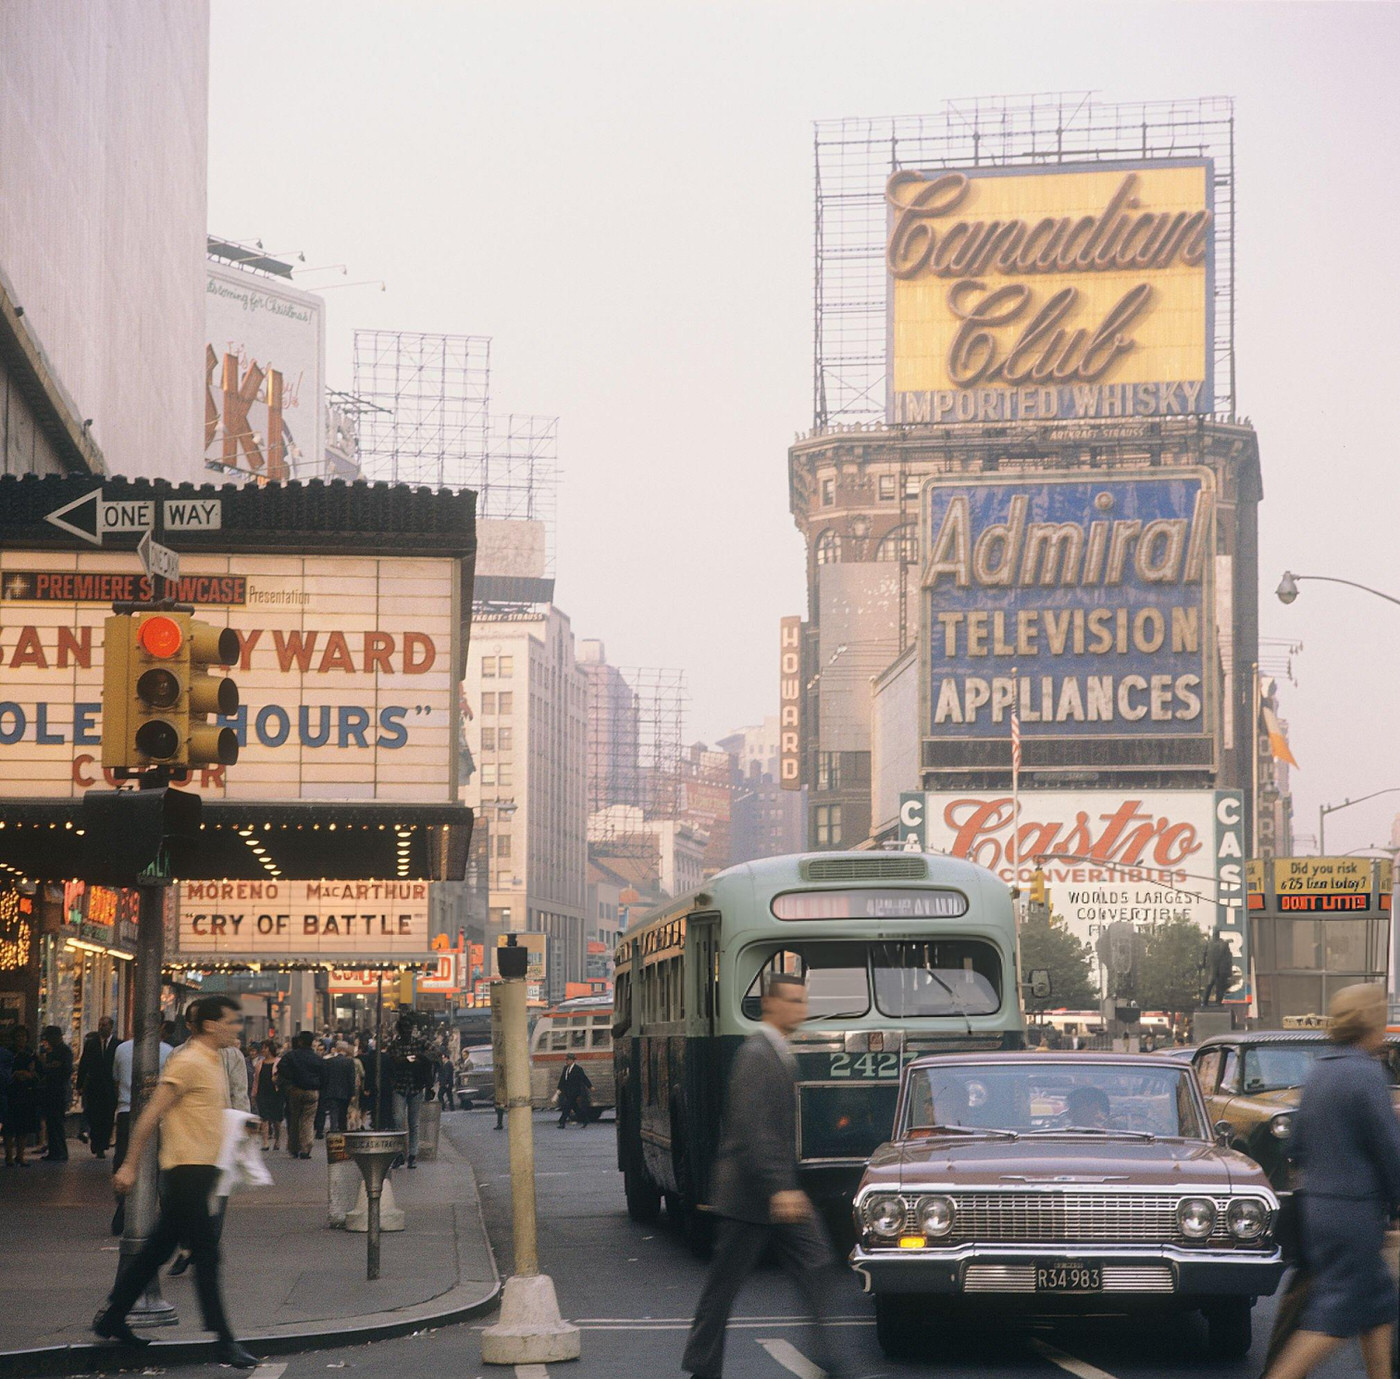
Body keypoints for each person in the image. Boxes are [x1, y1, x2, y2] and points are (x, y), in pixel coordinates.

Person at [683, 973, 848, 1379]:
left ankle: (828, 1360)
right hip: (750, 1195)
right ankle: (702, 1367)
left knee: (818, 1262)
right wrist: (780, 1188)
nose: (800, 1009)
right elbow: (753, 1129)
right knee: (723, 1287)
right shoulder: (757, 1054)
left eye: (803, 1000)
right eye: (792, 1000)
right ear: (771, 1004)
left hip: (776, 1191)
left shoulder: (777, 1051)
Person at [96, 995, 257, 1369]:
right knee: (207, 1256)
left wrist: (243, 1126)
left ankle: (113, 1318)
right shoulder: (187, 1062)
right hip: (185, 1171)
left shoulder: (215, 1061)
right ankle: (224, 1342)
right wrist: (130, 1165)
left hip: (203, 1170)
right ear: (212, 1025)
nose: (236, 1028)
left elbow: (209, 1113)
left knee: (159, 1250)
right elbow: (150, 1115)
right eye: (232, 1022)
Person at [1263, 984, 1400, 1379]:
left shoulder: (1320, 1071)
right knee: (1332, 1318)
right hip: (1354, 1214)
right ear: (1369, 1023)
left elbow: (1297, 1146)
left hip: (1320, 1210)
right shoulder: (1366, 1073)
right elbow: (1388, 1150)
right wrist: (1395, 1201)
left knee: (1378, 1304)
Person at [111, 1022, 175, 1235]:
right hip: (158, 1114)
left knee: (123, 1157)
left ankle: (124, 1205)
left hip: (125, 1110)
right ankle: (158, 1211)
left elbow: (116, 1079)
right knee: (157, 1161)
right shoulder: (168, 1052)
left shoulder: (121, 1049)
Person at [76, 1017, 121, 1158]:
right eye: (100, 1025)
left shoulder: (117, 1045)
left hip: (110, 1087)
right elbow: (84, 1064)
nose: (102, 1027)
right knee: (94, 1115)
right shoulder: (91, 1043)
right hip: (94, 1086)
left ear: (111, 1027)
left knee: (107, 1117)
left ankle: (103, 1144)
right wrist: (80, 1084)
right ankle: (96, 1141)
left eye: (105, 1025)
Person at [277, 1031, 323, 1159]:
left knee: (294, 1119)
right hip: (312, 1091)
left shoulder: (291, 1056)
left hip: (295, 1090)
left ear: (300, 1041)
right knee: (308, 1119)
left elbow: (281, 1067)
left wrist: (292, 1080)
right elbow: (324, 1074)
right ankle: (306, 1147)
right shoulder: (317, 1058)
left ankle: (294, 1147)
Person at [4, 1025, 39, 1168]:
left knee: (23, 1127)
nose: (21, 1039)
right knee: (10, 1126)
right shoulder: (8, 1053)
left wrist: (30, 1075)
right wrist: (15, 1075)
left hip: (26, 1093)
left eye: (23, 1036)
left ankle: (20, 1155)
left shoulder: (30, 1053)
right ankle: (8, 1156)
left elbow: (38, 1073)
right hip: (11, 1093)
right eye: (18, 1036)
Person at [38, 1025, 74, 1161]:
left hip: (58, 1091)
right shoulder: (52, 1051)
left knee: (57, 1122)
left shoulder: (64, 1051)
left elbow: (65, 1070)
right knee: (52, 1123)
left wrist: (50, 1067)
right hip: (51, 1091)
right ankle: (54, 1151)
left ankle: (60, 1151)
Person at [252, 1039, 284, 1151]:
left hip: (276, 1093)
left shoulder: (279, 1062)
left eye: (264, 1048)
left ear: (270, 1049)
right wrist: (254, 1093)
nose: (262, 1050)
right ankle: (265, 1142)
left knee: (277, 1119)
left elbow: (283, 1077)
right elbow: (256, 1080)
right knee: (264, 1118)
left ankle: (277, 1140)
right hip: (263, 1093)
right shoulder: (260, 1063)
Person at [321, 1041, 360, 1133]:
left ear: (337, 1049)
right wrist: (352, 1093)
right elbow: (351, 1078)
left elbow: (325, 1077)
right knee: (343, 1113)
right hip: (345, 1092)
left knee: (333, 1113)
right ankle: (343, 1131)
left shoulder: (329, 1061)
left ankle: (333, 1131)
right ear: (345, 1049)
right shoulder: (349, 1062)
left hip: (331, 1091)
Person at [556, 1052, 593, 1128]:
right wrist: (559, 1088)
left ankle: (562, 1122)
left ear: (573, 1060)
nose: (566, 1061)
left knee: (567, 1107)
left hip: (575, 1091)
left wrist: (590, 1086)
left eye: (568, 1060)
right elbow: (562, 1079)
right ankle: (585, 1120)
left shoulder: (578, 1069)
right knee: (576, 1108)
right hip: (567, 1091)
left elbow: (584, 1078)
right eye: (566, 1060)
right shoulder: (565, 1068)